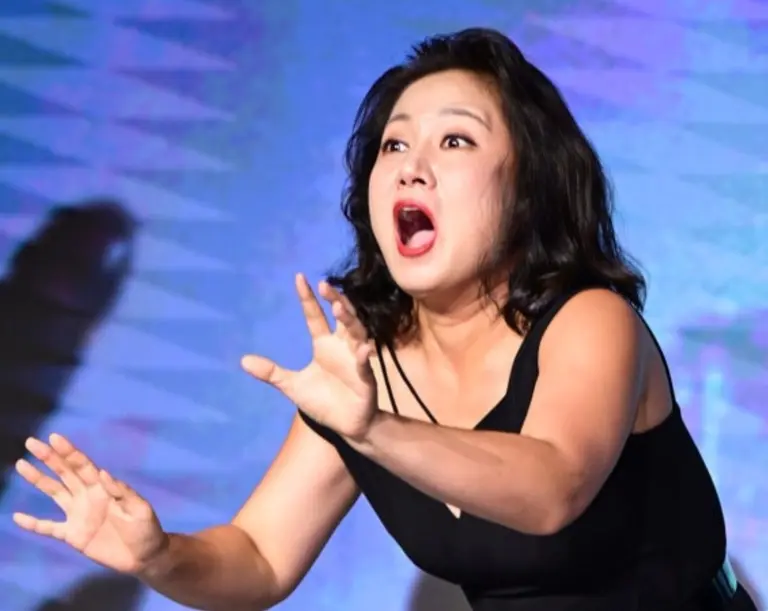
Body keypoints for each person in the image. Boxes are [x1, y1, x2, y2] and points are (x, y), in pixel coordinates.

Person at [11, 28, 758, 611]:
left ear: (530, 187)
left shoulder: (588, 320)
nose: (410, 164)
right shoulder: (364, 369)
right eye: (394, 143)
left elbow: (551, 487)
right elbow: (260, 557)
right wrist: (160, 556)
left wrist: (373, 430)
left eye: (455, 140)